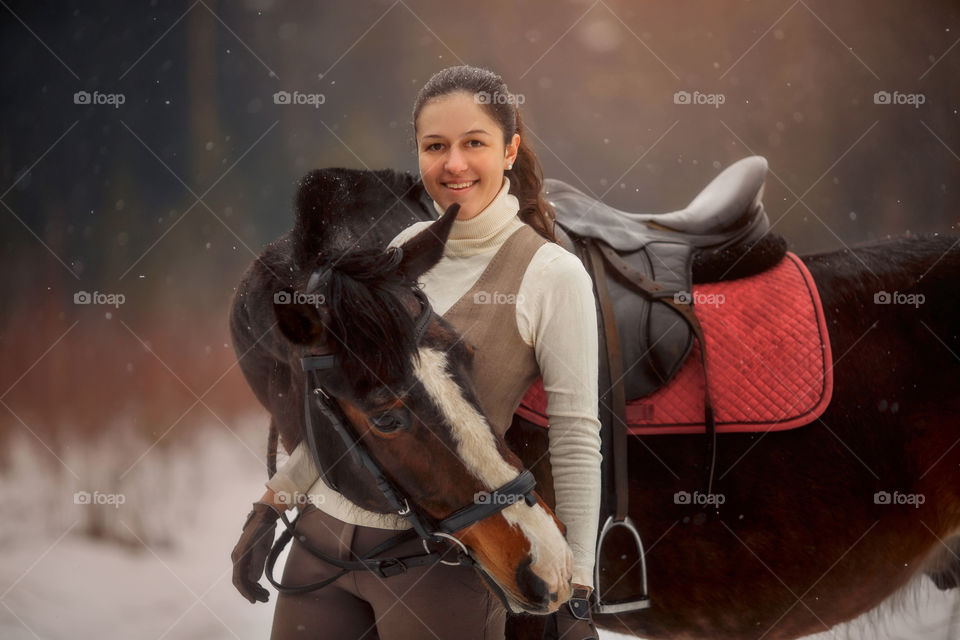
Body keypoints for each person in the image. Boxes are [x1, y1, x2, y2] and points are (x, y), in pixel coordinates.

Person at [231, 65, 602, 640]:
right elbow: (353, 403)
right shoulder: (402, 252)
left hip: (440, 560)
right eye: (435, 147)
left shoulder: (552, 274)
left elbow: (577, 434)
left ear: (510, 150)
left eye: (473, 143)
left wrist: (576, 577)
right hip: (324, 545)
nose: (453, 164)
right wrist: (273, 504)